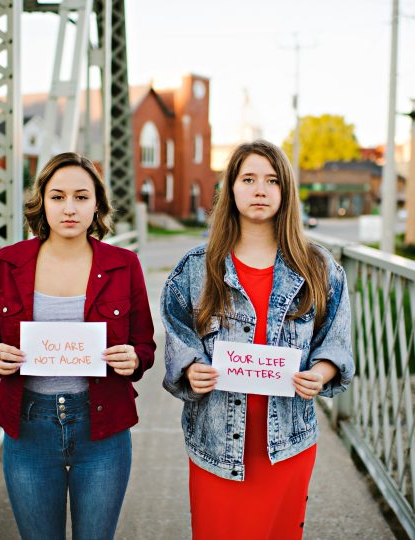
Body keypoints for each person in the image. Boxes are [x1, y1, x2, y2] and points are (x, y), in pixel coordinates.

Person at [161, 140, 354, 540]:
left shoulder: (318, 268)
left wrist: (320, 372)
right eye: (248, 179)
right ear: (231, 188)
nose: (260, 189)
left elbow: (335, 339)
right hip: (216, 444)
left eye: (271, 180)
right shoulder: (197, 268)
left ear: (285, 191)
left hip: (287, 444)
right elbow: (177, 329)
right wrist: (192, 367)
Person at [0, 152, 156, 540]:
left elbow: (144, 345)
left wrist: (134, 358)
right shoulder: (8, 262)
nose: (69, 208)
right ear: (42, 202)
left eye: (81, 197)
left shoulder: (125, 264)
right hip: (29, 427)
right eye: (57, 197)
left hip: (103, 428)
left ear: (97, 205)